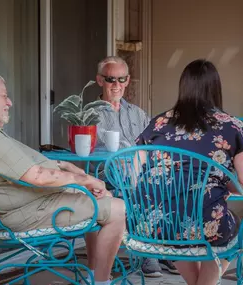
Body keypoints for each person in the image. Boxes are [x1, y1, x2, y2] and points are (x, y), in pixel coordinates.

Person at [134, 59, 243, 285]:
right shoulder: (231, 126)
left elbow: (136, 171)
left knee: (177, 220)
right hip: (205, 223)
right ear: (216, 89)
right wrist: (227, 182)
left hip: (150, 222)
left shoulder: (157, 124)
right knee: (230, 226)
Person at [0, 75, 125, 285]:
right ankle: (101, 281)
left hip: (32, 204)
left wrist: (73, 172)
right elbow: (38, 176)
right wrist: (85, 179)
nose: (9, 102)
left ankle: (93, 274)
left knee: (96, 197)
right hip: (27, 213)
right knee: (118, 209)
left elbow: (31, 170)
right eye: (4, 96)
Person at [94, 56, 178, 277]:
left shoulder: (137, 113)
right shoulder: (90, 113)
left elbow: (155, 140)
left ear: (128, 80)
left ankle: (165, 249)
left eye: (121, 79)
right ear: (100, 80)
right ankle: (147, 252)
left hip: (139, 172)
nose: (117, 85)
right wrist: (134, 156)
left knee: (171, 182)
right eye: (111, 79)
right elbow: (102, 146)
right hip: (107, 175)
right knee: (133, 175)